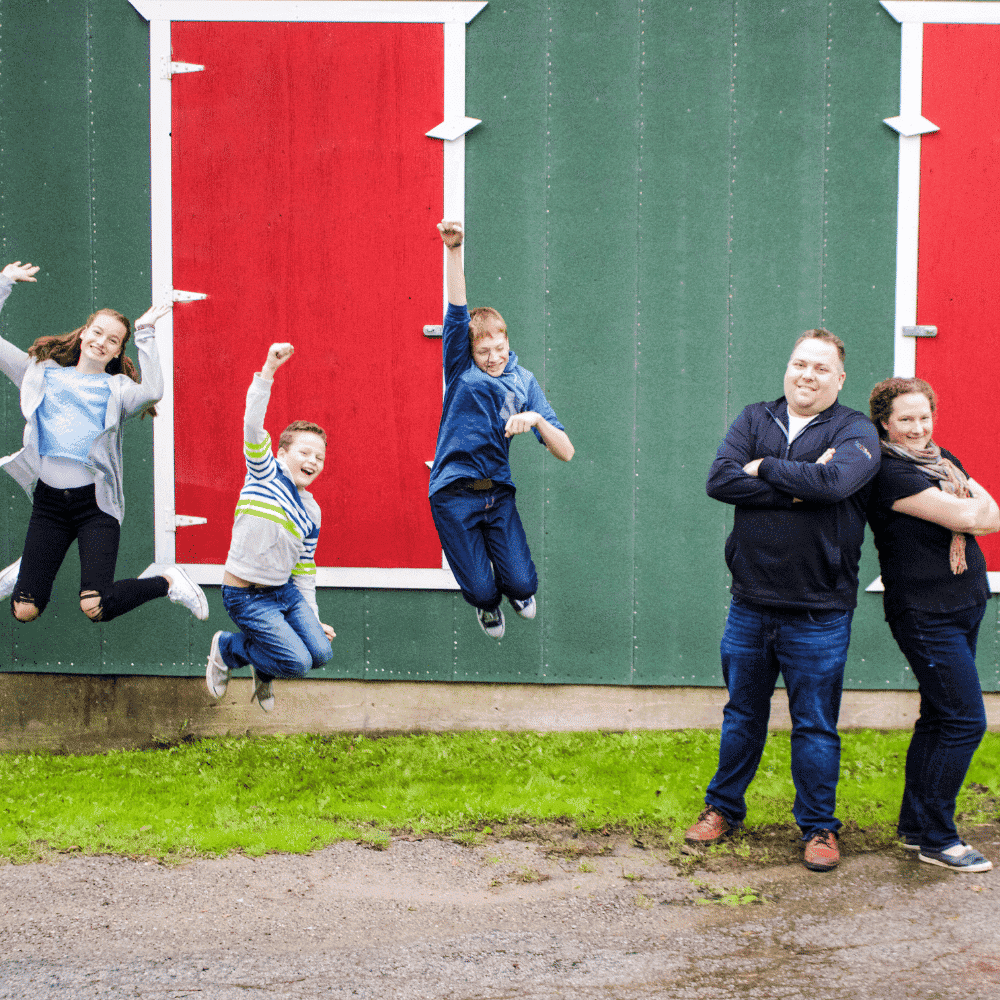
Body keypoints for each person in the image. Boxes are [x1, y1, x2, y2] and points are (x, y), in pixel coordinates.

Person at [685, 329, 881, 872]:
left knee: (815, 723)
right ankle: (723, 808)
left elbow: (838, 484)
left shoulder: (856, 430)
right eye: (800, 364)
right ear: (787, 369)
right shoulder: (754, 418)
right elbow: (720, 480)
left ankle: (819, 827)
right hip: (750, 602)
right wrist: (804, 485)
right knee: (741, 714)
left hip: (819, 610)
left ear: (839, 379)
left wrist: (765, 468)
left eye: (821, 368)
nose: (807, 375)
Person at [0, 261, 208, 625]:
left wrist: (145, 333)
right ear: (83, 335)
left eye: (113, 340)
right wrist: (4, 282)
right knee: (24, 611)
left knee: (95, 606)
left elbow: (153, 391)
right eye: (97, 333)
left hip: (94, 507)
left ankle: (167, 580)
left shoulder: (118, 391)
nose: (102, 342)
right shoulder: (41, 373)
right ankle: (29, 568)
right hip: (49, 504)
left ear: (116, 353)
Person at [867, 377, 998, 873]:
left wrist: (974, 512)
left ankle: (915, 824)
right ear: (885, 423)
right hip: (925, 613)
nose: (918, 428)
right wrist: (973, 511)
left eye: (924, 417)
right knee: (966, 720)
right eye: (906, 419)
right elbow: (971, 515)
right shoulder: (890, 475)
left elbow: (990, 516)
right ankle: (939, 839)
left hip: (964, 603)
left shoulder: (944, 462)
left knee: (939, 717)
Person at [429, 221, 574, 640]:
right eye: (483, 351)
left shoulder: (523, 382)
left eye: (500, 348)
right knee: (480, 589)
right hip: (453, 494)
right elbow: (457, 309)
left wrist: (536, 420)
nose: (493, 357)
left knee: (524, 585)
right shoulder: (460, 369)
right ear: (470, 351)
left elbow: (565, 451)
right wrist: (454, 251)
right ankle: (486, 605)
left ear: (509, 343)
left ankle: (516, 592)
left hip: (497, 493)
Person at [205, 342, 335, 712]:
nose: (313, 460)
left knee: (321, 653)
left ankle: (262, 662)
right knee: (297, 663)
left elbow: (305, 570)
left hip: (285, 593)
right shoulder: (265, 474)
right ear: (281, 454)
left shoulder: (313, 513)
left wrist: (313, 615)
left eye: (320, 457)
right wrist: (267, 373)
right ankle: (227, 648)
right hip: (245, 595)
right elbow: (251, 423)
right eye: (305, 452)